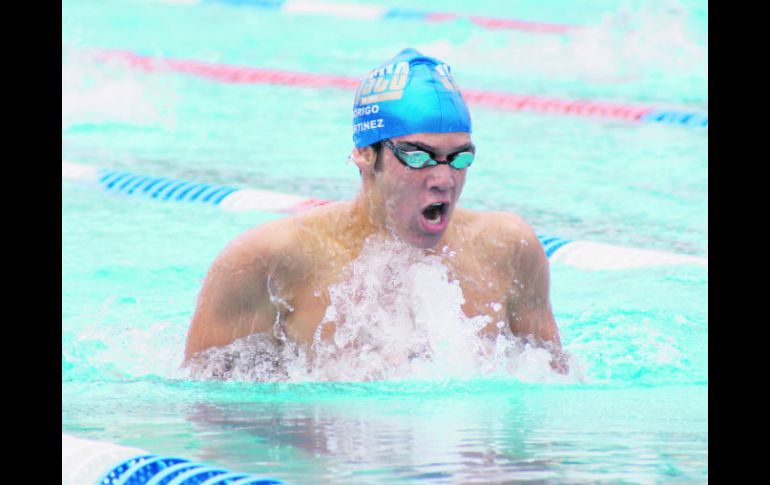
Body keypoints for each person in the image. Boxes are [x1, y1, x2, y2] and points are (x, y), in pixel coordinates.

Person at [184, 48, 567, 375]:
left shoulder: (506, 248)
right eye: (418, 156)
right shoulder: (269, 258)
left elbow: (553, 389)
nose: (444, 179)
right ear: (365, 154)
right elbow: (208, 409)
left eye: (459, 157)